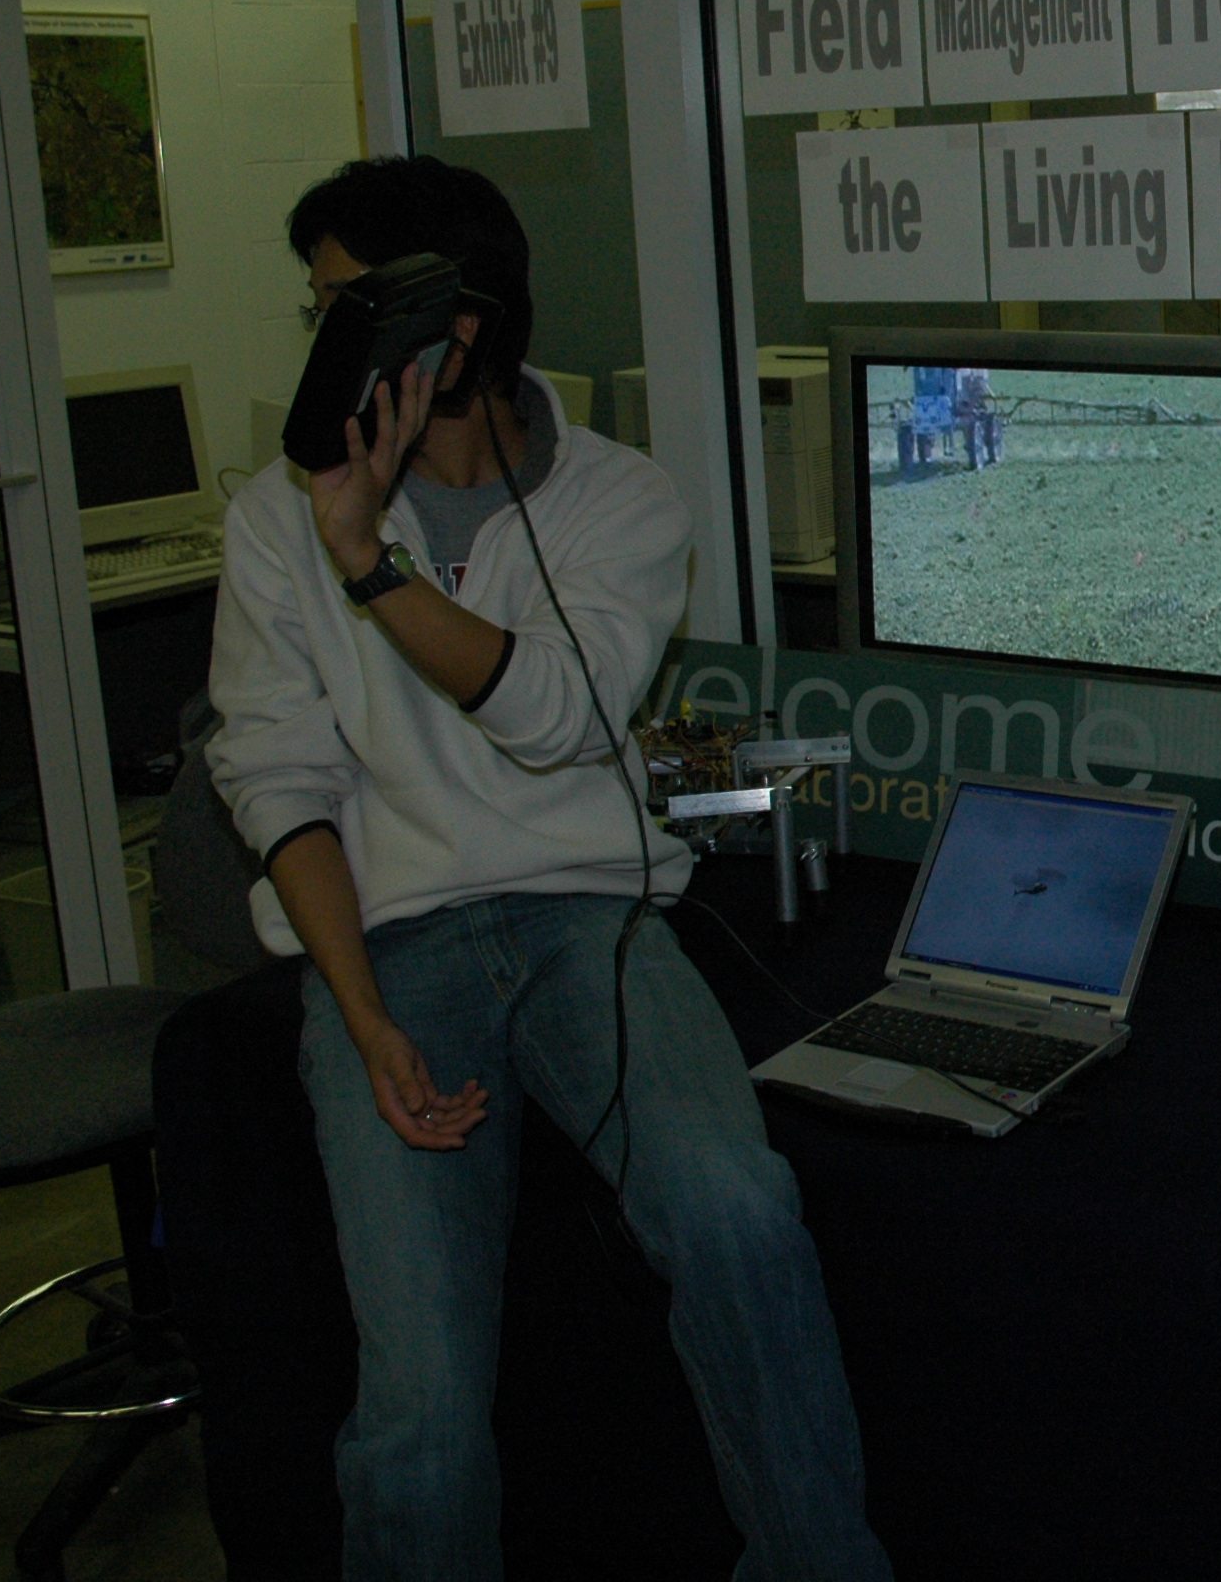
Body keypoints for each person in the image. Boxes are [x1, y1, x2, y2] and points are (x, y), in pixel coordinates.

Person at [205, 156, 891, 1582]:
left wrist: (371, 564)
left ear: (454, 325)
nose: (325, 344)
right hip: (392, 946)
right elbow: (276, 779)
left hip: (591, 922)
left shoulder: (619, 498)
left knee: (735, 1213)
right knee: (420, 1396)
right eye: (318, 311)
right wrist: (362, 1017)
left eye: (348, 311)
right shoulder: (280, 515)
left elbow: (557, 720)